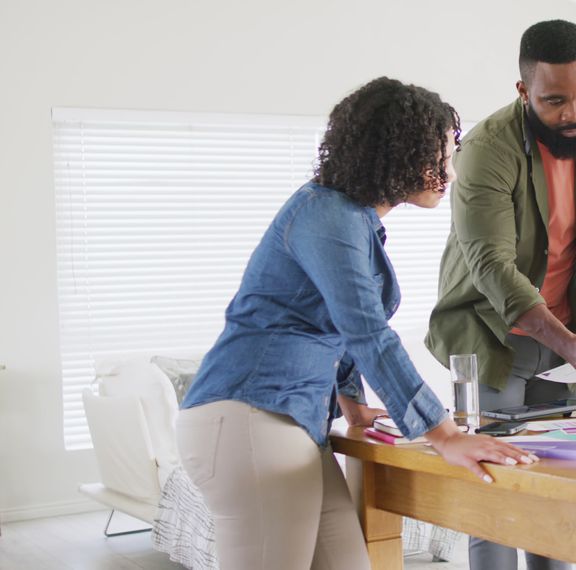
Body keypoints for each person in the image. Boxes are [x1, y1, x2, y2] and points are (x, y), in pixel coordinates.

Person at [176, 77, 534, 570]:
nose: (450, 171)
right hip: (251, 420)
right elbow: (367, 333)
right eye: (442, 154)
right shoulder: (328, 217)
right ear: (401, 152)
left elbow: (333, 328)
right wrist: (446, 436)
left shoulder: (349, 217)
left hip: (286, 424)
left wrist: (353, 405)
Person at [426, 20, 576, 570]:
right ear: (524, 92)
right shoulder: (488, 149)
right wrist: (571, 348)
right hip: (491, 337)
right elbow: (491, 265)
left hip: (564, 336)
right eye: (555, 100)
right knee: (496, 495)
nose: (574, 114)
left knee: (558, 492)